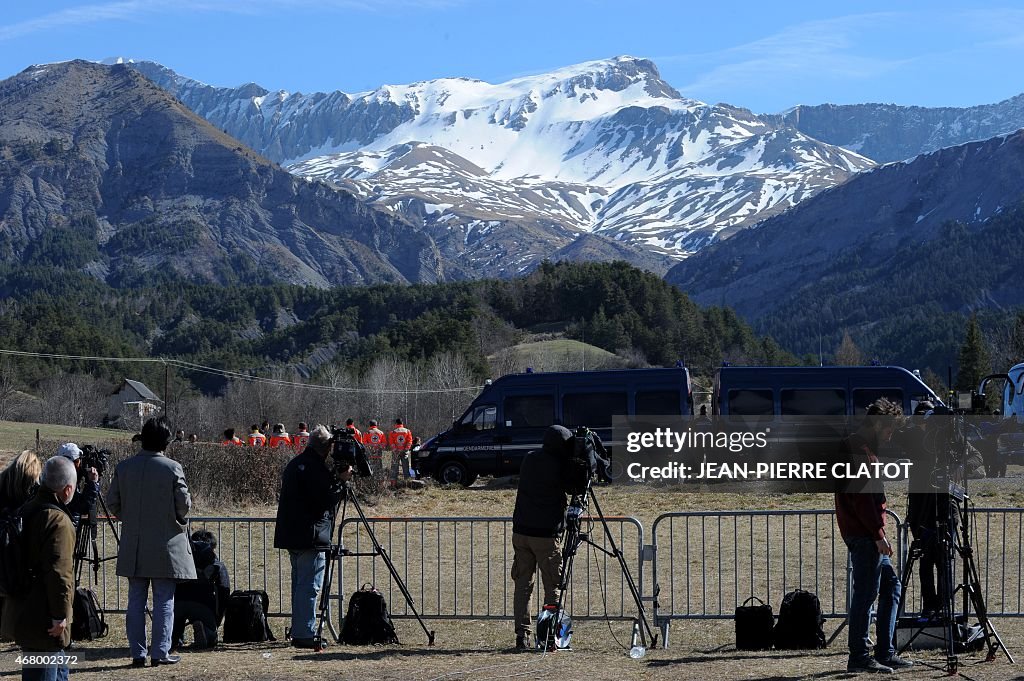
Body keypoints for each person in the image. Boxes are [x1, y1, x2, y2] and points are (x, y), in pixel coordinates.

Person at [107, 417, 197, 667]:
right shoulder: (172, 468)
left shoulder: (124, 468)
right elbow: (184, 504)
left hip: (133, 544)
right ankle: (160, 652)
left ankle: (137, 654)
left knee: (135, 599)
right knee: (164, 600)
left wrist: (133, 519)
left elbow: (112, 502)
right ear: (166, 442)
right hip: (165, 544)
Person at [835, 398, 912, 673]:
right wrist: (879, 534)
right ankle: (859, 656)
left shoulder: (859, 447)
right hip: (866, 535)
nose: (891, 435)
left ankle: (885, 651)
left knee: (891, 587)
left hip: (865, 533)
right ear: (879, 423)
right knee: (866, 595)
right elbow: (862, 499)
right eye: (889, 429)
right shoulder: (861, 451)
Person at [1, 455, 76, 681]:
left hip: (25, 608)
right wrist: (59, 615)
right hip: (43, 617)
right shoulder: (57, 520)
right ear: (67, 489)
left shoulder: (27, 509)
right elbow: (58, 573)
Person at [273, 425, 348, 649]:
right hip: (310, 537)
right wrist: (342, 482)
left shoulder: (296, 464)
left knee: (300, 585)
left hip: (292, 534)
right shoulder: (314, 468)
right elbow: (324, 500)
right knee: (309, 586)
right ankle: (305, 633)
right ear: (325, 448)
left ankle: (300, 629)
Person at [510, 425, 572, 650]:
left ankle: (522, 635)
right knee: (552, 586)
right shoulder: (559, 465)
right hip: (545, 535)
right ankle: (549, 636)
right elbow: (573, 486)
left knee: (523, 586)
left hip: (521, 532)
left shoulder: (529, 458)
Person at [171, 530, 231, 651]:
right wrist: (217, 618)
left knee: (174, 625)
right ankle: (206, 631)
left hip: (177, 601)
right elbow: (223, 591)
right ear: (212, 548)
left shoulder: (179, 559)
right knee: (210, 635)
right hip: (203, 603)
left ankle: (174, 638)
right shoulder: (215, 563)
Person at [55, 443, 100, 526]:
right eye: (79, 460)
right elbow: (84, 506)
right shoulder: (65, 483)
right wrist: (93, 483)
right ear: (74, 462)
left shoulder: (53, 476)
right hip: (67, 528)